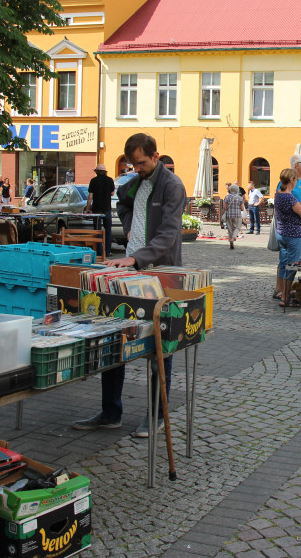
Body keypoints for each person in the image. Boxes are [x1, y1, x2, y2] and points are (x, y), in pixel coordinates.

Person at [73, 133, 186, 438]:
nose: (138, 169)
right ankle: (111, 412)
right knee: (114, 337)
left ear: (155, 156)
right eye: (133, 164)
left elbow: (168, 235)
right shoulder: (133, 183)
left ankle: (156, 415)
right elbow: (122, 202)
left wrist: (137, 258)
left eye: (142, 163)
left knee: (161, 346)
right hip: (130, 269)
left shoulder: (172, 186)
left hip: (161, 272)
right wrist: (129, 228)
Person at [273, 154, 301, 299]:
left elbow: (300, 203)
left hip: (295, 227)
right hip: (292, 230)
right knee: (289, 262)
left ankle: (284, 291)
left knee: (287, 260)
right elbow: (291, 204)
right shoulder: (284, 188)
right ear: (296, 165)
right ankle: (282, 291)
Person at [86, 164, 115, 256]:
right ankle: (108, 251)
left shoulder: (93, 181)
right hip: (107, 208)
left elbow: (90, 196)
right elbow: (112, 193)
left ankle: (99, 251)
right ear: (105, 172)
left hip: (97, 209)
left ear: (97, 172)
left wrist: (88, 207)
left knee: (97, 230)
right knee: (108, 230)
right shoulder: (110, 180)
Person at [223, 183, 244, 249]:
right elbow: (242, 208)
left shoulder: (227, 197)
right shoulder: (240, 198)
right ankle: (233, 238)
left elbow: (224, 207)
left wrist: (222, 215)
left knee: (230, 228)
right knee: (237, 227)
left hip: (229, 215)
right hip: (237, 215)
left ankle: (230, 241)